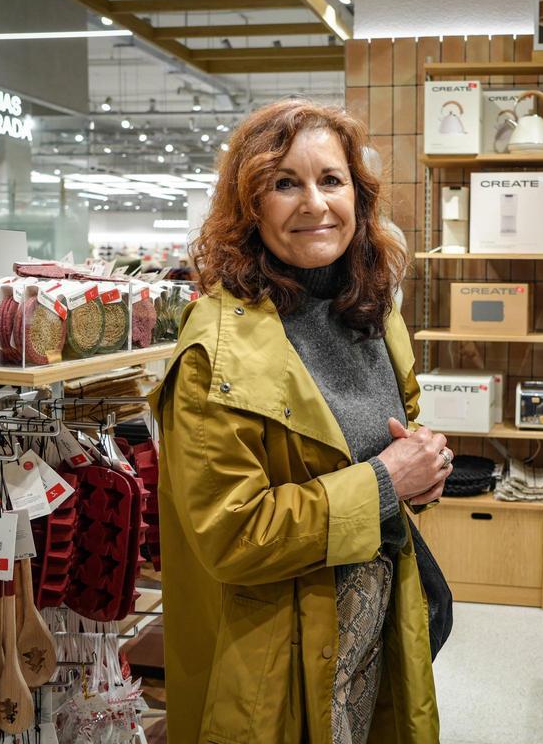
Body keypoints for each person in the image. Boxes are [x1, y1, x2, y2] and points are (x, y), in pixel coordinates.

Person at [149, 98, 451, 744]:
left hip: (380, 626)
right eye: (285, 183)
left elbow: (398, 435)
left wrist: (423, 466)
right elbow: (231, 533)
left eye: (331, 180)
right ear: (249, 205)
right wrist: (386, 484)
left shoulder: (371, 312)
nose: (314, 203)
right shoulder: (217, 352)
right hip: (279, 660)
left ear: (358, 197)